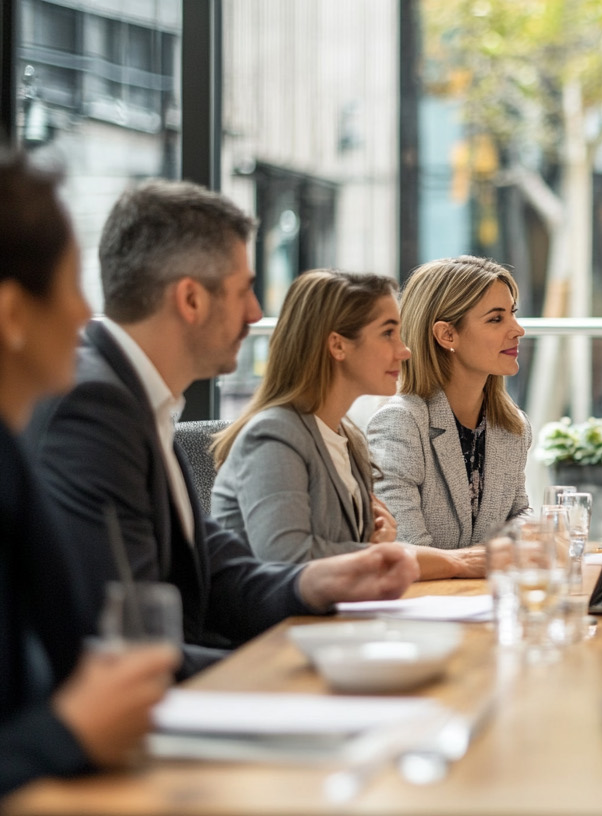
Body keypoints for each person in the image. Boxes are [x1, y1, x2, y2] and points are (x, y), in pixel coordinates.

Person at [24, 180, 419, 680]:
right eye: (242, 290)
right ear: (191, 299)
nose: (256, 313)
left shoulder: (137, 398)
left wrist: (313, 583)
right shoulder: (95, 406)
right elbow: (125, 641)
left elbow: (213, 568)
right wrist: (299, 670)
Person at [0, 154, 178, 797]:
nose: (86, 315)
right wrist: (69, 730)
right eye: (73, 285)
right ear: (13, 314)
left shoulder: (13, 452)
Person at [210, 270, 484, 578]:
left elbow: (339, 550)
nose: (404, 350)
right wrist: (450, 561)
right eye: (387, 333)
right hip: (277, 626)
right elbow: (288, 559)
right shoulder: (273, 435)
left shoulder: (347, 436)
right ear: (338, 345)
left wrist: (369, 542)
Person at [367, 257, 530, 551]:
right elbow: (405, 548)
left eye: (512, 314)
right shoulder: (400, 424)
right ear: (447, 334)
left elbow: (518, 515)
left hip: (485, 593)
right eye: (496, 318)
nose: (518, 329)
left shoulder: (512, 425)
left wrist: (541, 535)